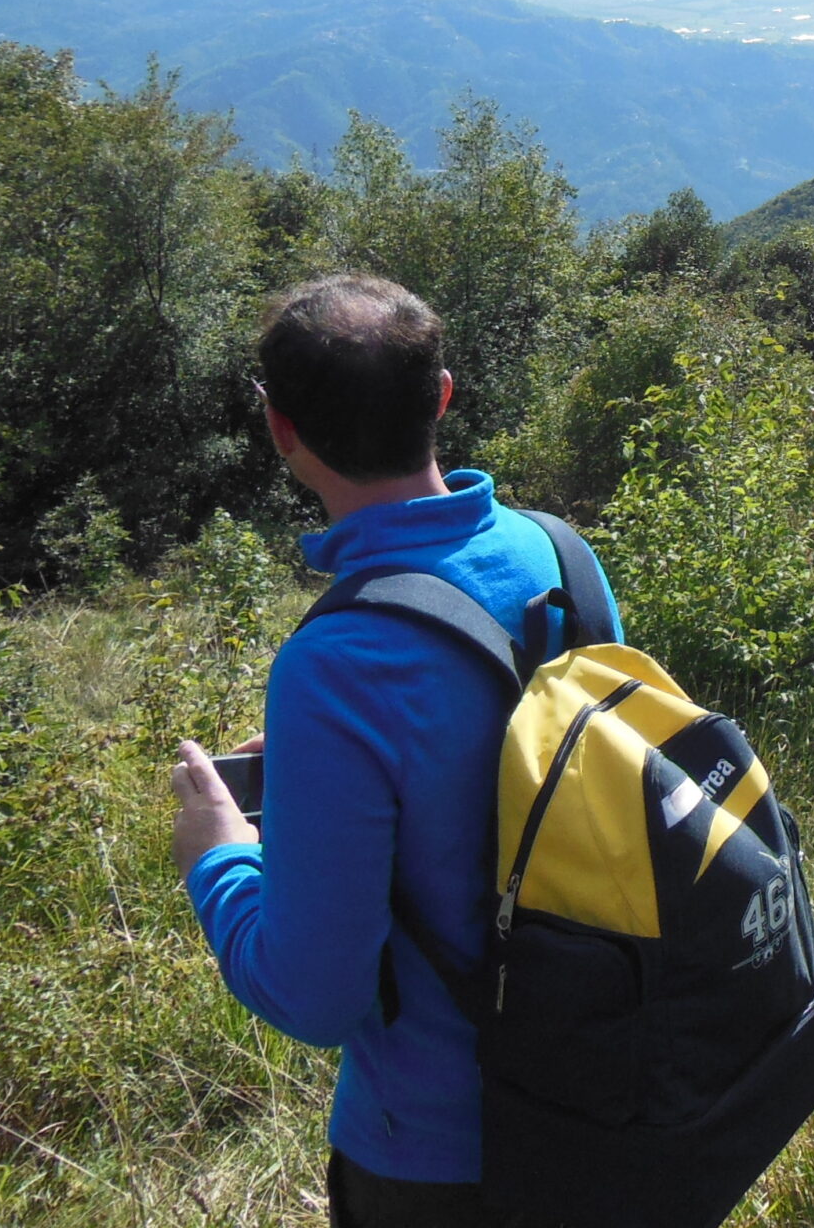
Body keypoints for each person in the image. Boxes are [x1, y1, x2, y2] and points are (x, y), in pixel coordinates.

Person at [166, 273, 622, 1228]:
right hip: (613, 1094)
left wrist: (217, 852)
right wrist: (321, 775)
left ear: (280, 429)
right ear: (442, 395)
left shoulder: (336, 668)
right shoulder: (559, 557)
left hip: (442, 1154)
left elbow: (314, 998)